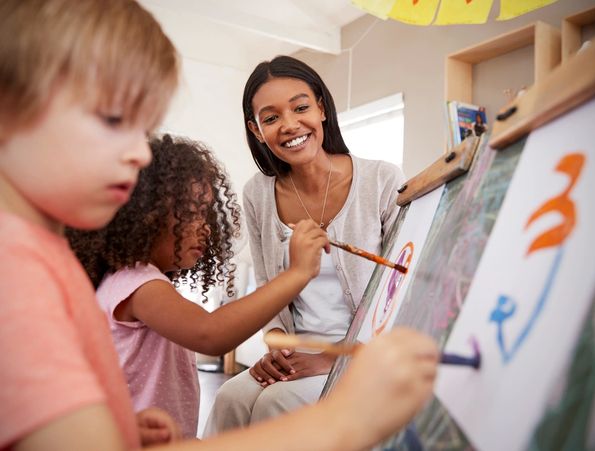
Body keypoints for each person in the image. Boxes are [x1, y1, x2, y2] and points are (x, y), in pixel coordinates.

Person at [0, 1, 438, 449]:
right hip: (303, 359)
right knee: (237, 397)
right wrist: (346, 421)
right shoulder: (20, 276)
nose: (140, 155)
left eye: (143, 127)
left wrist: (115, 427)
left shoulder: (45, 259)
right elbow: (223, 326)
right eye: (113, 119)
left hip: (348, 353)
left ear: (322, 108)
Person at [67, 134, 329, 438]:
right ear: (147, 217)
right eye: (192, 213)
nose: (206, 226)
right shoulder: (137, 285)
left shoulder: (137, 282)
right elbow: (210, 333)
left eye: (207, 213)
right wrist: (297, 273)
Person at [204, 55, 406, 435]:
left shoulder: (381, 180)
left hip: (362, 355)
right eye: (271, 117)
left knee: (276, 403)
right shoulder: (257, 194)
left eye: (300, 107)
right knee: (231, 397)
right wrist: (276, 351)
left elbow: (399, 293)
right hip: (297, 353)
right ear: (257, 129)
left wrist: (333, 360)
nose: (290, 125)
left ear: (322, 109)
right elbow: (269, 290)